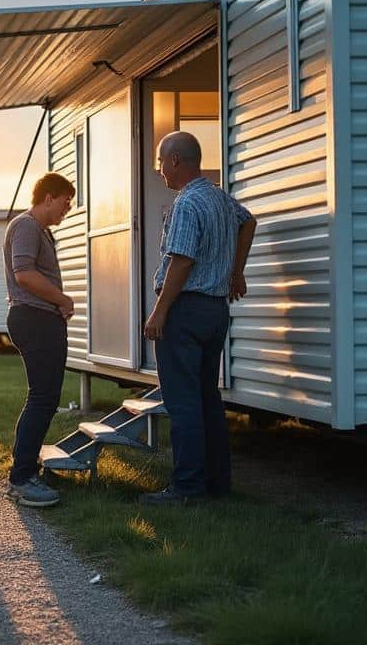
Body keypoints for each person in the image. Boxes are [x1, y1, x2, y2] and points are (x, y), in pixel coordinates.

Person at [141, 130, 255, 505]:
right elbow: (248, 222)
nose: (160, 169)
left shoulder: (188, 203)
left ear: (175, 160)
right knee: (207, 399)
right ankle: (217, 484)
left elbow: (182, 260)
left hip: (185, 311)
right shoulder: (219, 198)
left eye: (161, 162)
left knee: (183, 402)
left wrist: (160, 311)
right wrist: (236, 272)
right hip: (215, 312)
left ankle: (187, 489)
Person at [3, 173, 75, 507]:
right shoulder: (27, 226)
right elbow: (24, 274)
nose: (67, 209)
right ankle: (22, 479)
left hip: (40, 318)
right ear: (48, 197)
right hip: (33, 319)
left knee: (43, 397)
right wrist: (63, 300)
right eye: (65, 202)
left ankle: (24, 469)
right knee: (43, 398)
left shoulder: (40, 230)